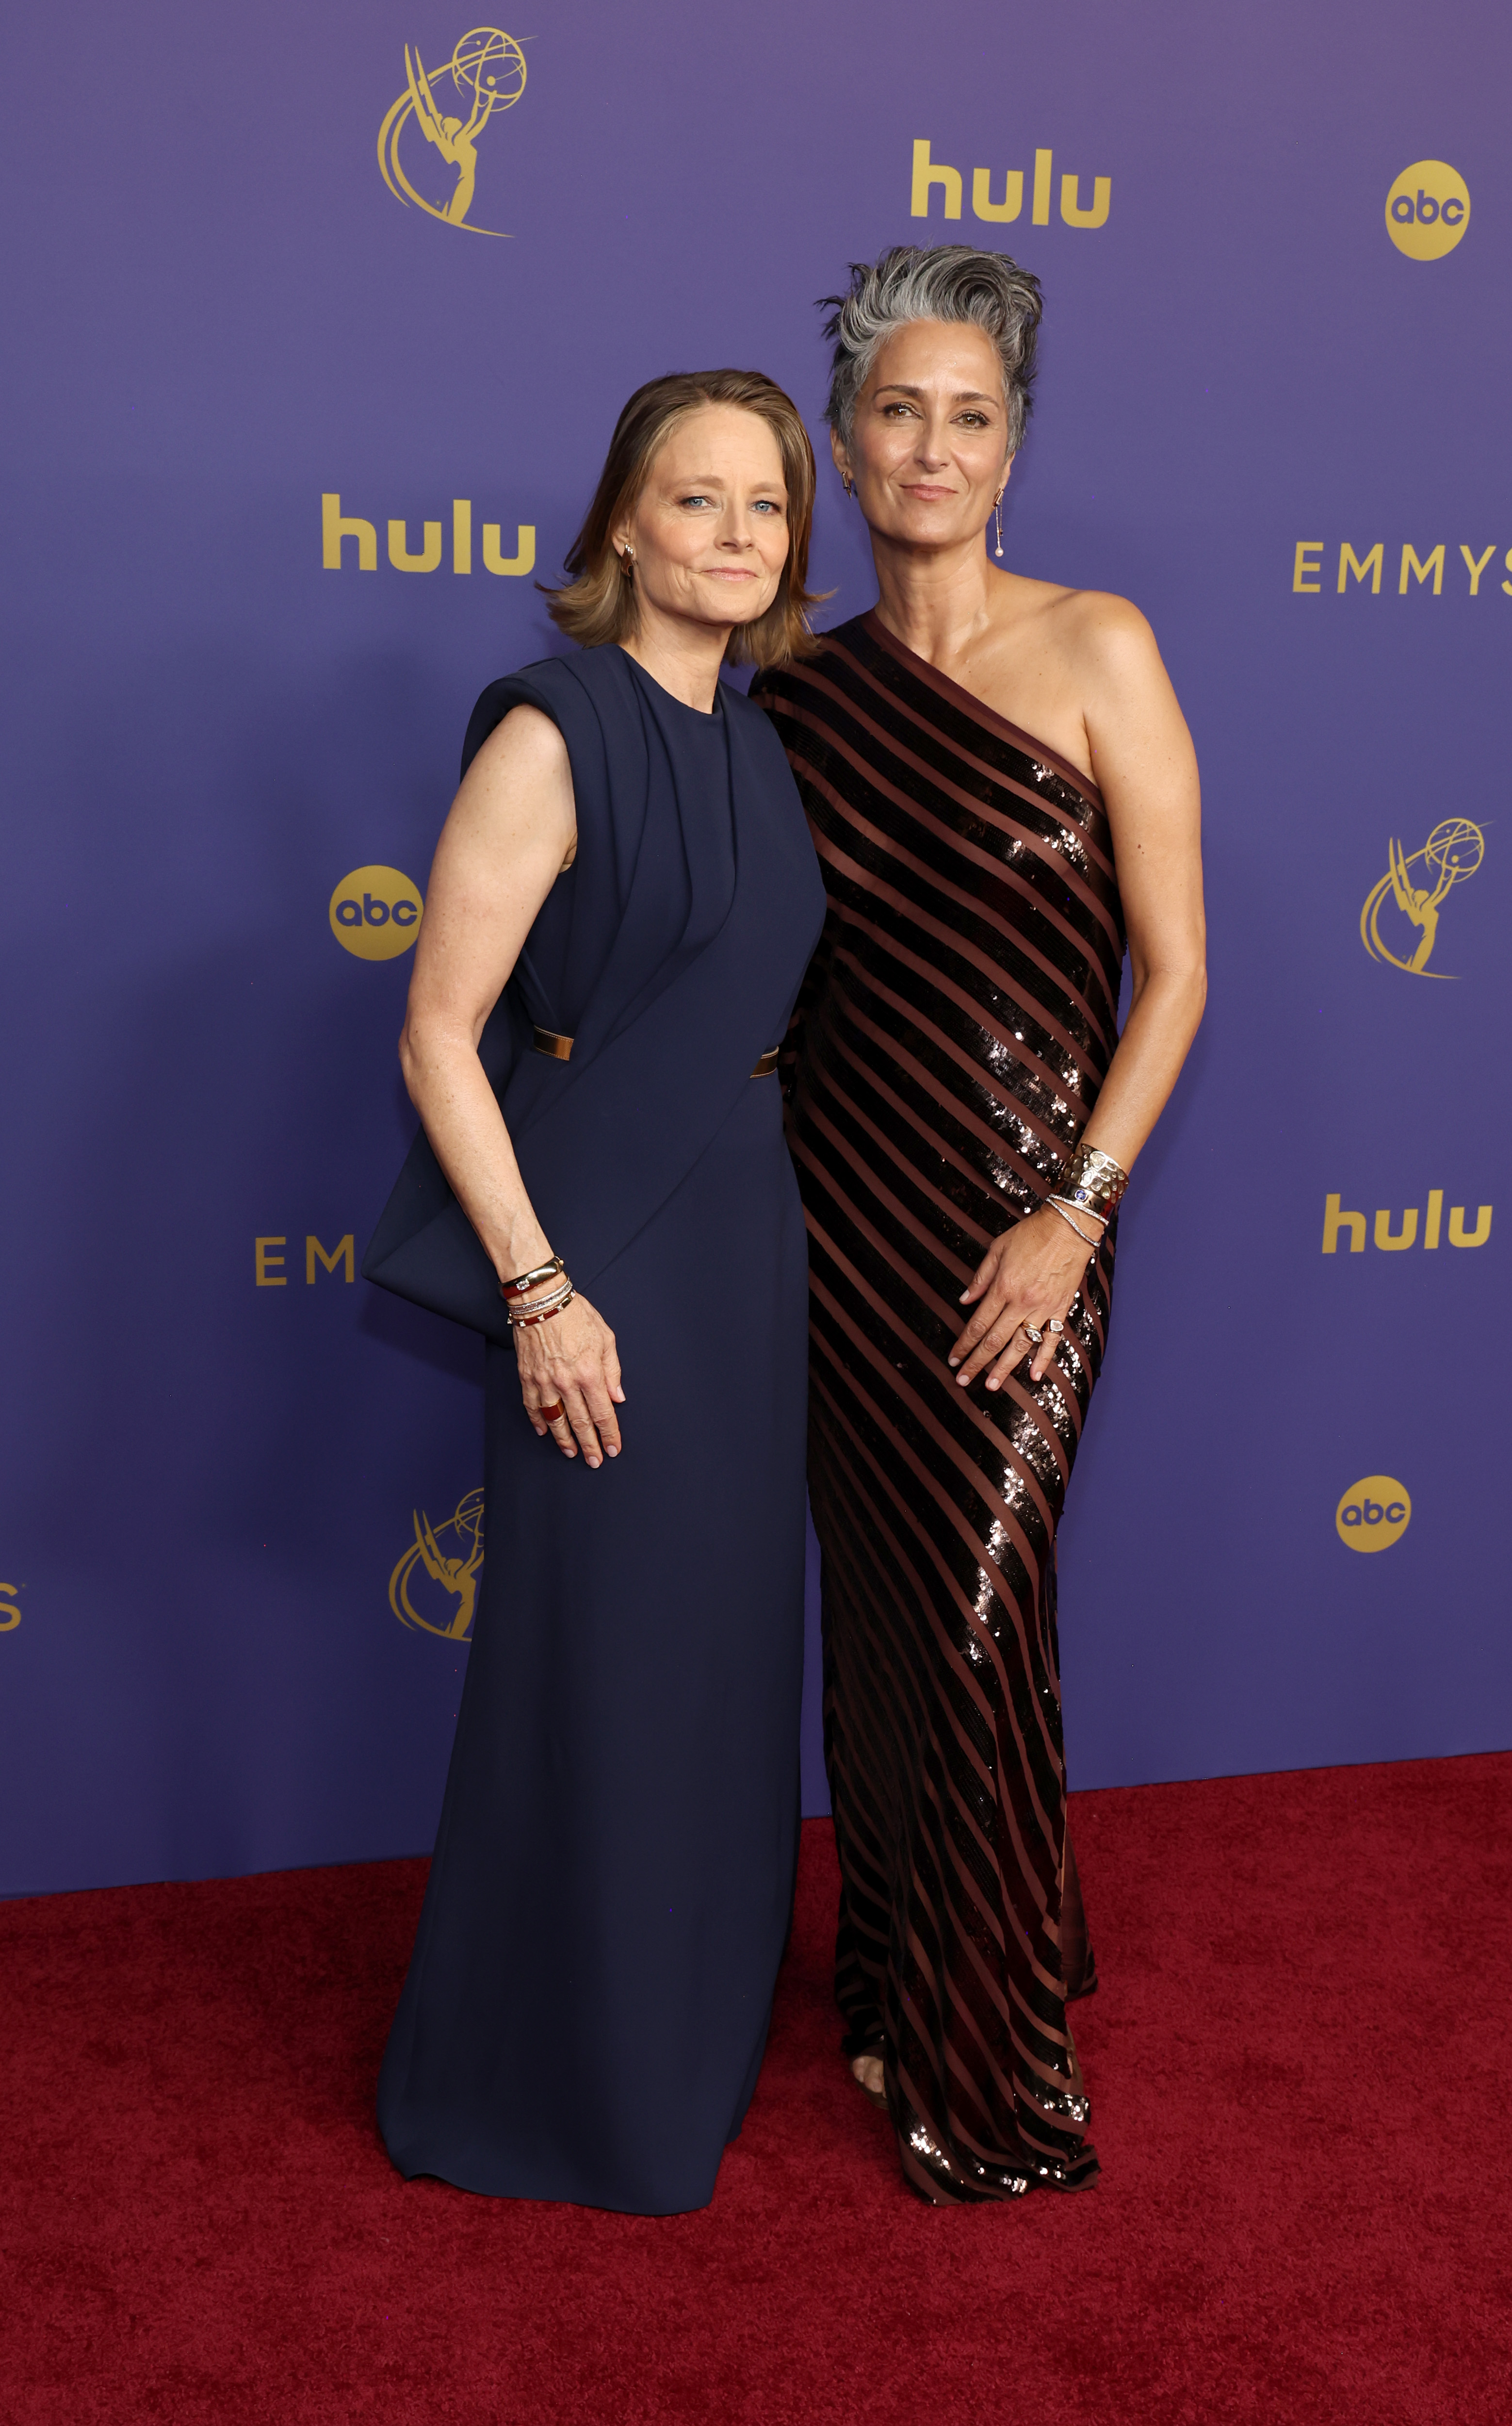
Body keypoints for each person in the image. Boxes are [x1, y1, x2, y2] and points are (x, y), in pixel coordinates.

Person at [754, 246, 1206, 2205]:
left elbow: (1177, 975)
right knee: (879, 1628)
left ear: (1012, 445)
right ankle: (888, 1965)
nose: (931, 445)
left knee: (978, 1612)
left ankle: (985, 2035)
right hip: (842, 1217)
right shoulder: (795, 696)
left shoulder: (1104, 643)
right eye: (897, 412)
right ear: (845, 445)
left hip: (1033, 1219)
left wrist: (1075, 1220)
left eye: (972, 415)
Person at [363, 370, 827, 2214]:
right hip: (601, 1258)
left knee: (715, 1669)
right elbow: (437, 1034)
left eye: (768, 508)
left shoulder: (763, 735)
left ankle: (687, 2040)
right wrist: (542, 1290)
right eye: (696, 500)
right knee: (606, 1671)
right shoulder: (554, 734)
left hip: (744, 1247)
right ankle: (553, 2086)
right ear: (621, 523)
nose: (734, 536)